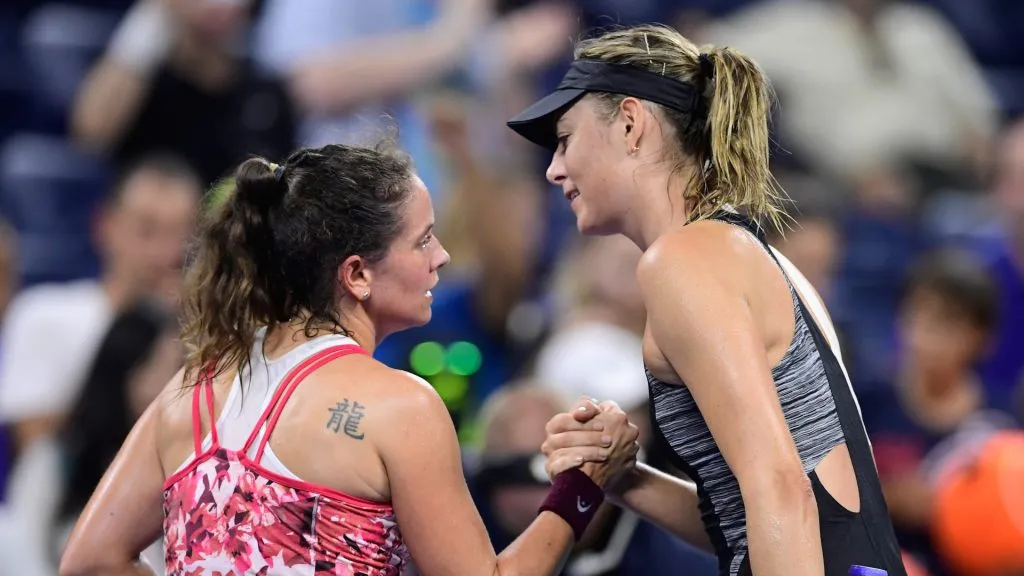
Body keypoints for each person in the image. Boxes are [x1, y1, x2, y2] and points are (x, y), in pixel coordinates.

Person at [57, 141, 639, 576]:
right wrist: (582, 484)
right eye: (422, 239)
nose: (442, 256)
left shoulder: (191, 388)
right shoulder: (402, 407)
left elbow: (89, 561)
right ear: (356, 274)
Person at [507, 24, 906, 576]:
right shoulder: (750, 254)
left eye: (565, 139)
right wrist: (624, 477)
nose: (554, 169)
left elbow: (780, 491)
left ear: (630, 123)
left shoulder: (683, 260)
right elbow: (756, 518)